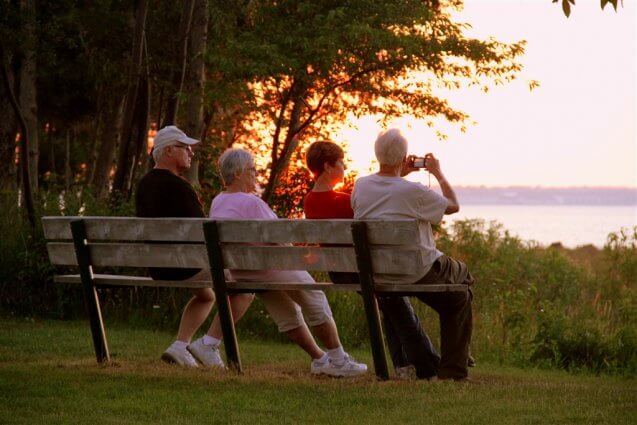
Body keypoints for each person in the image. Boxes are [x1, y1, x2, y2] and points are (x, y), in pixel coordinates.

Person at [209, 147, 367, 377]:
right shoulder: (251, 203)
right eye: (252, 170)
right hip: (270, 267)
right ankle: (338, 358)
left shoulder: (218, 202)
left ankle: (320, 359)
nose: (256, 174)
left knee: (286, 309)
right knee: (315, 297)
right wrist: (299, 256)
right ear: (237, 174)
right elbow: (280, 236)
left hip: (243, 273)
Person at [303, 141, 440, 380]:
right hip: (363, 269)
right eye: (340, 162)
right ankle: (428, 366)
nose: (344, 166)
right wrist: (396, 178)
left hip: (339, 271)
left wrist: (397, 174)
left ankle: (405, 366)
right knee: (393, 299)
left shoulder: (309, 201)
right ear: (327, 166)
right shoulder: (346, 201)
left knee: (390, 303)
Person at [351, 128, 475, 381]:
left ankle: (452, 356)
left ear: (377, 155)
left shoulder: (361, 186)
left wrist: (398, 173)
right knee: (462, 289)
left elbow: (387, 192)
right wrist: (437, 172)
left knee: (455, 295)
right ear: (404, 157)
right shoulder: (413, 191)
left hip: (379, 271)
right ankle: (454, 368)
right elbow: (453, 205)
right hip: (418, 271)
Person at [136, 125, 255, 368]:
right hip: (185, 266)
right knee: (246, 286)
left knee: (207, 295)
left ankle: (180, 346)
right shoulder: (179, 187)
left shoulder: (143, 185)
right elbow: (205, 231)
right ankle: (209, 344)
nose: (191, 153)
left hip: (158, 266)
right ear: (169, 151)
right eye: (186, 148)